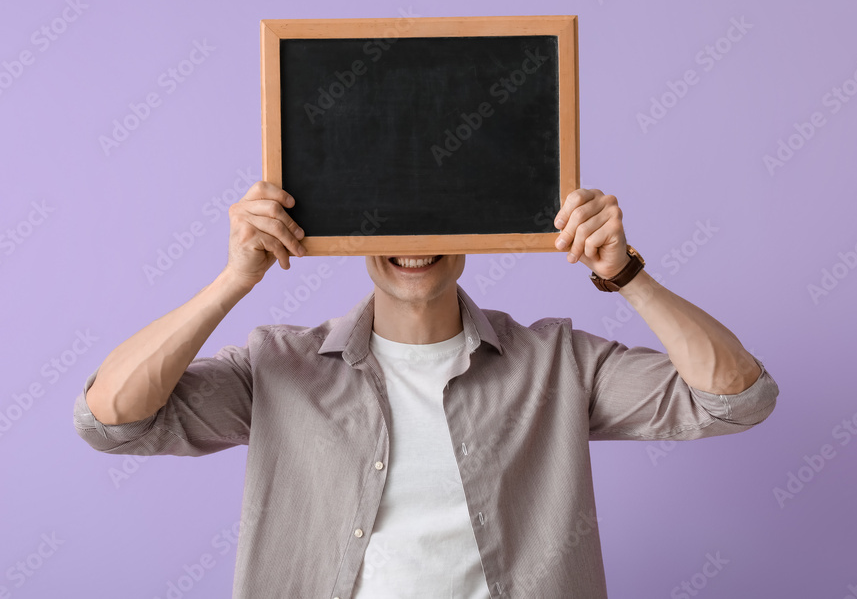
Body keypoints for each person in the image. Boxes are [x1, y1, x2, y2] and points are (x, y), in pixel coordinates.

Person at [73, 181, 779, 598]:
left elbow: (735, 396)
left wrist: (625, 273)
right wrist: (234, 280)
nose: (414, 240)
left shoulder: (556, 362)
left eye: (436, 214)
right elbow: (112, 416)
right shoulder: (279, 366)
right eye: (391, 218)